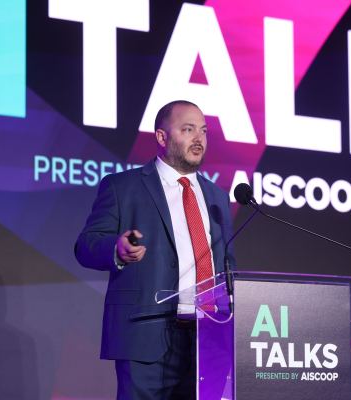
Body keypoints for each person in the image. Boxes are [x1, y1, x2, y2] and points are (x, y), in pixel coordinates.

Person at [75, 100, 235, 399]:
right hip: (147, 335)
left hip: (209, 338)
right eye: (188, 129)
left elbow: (227, 265)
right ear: (162, 137)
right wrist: (117, 249)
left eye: (203, 131)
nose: (198, 139)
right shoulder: (123, 187)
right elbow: (86, 246)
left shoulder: (217, 197)